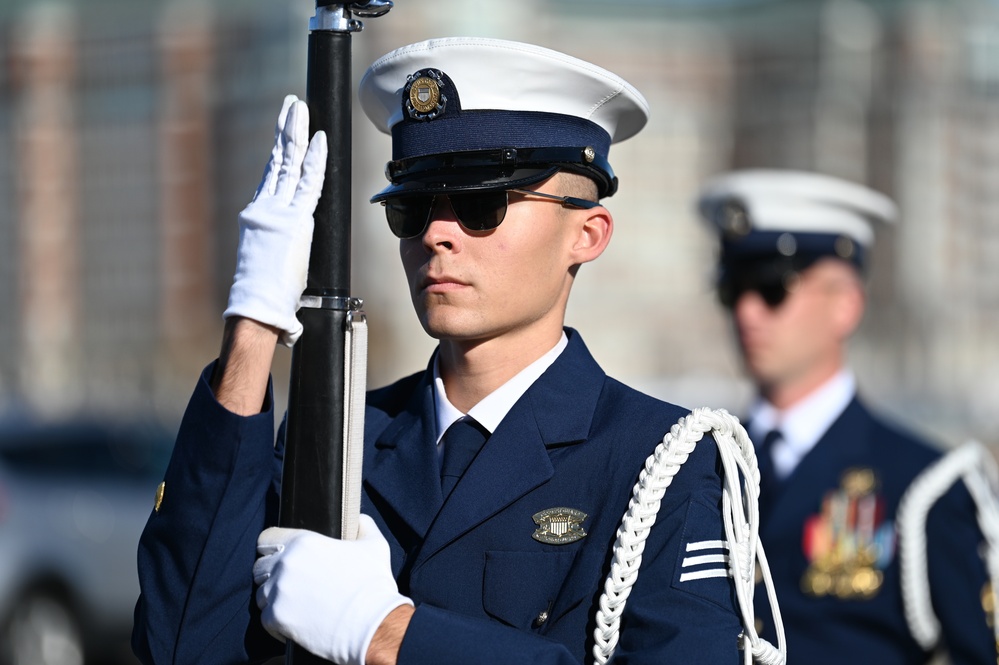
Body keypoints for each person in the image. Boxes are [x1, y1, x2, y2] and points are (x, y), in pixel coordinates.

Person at [132, 37, 748, 665]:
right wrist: (254, 322)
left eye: (482, 206)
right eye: (414, 207)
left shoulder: (661, 462)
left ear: (586, 234)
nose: (436, 234)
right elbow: (181, 645)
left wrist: (388, 631)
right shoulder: (346, 440)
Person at [697, 168, 996, 664]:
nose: (747, 312)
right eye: (734, 290)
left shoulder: (924, 486)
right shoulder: (702, 468)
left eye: (773, 289)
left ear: (846, 305)